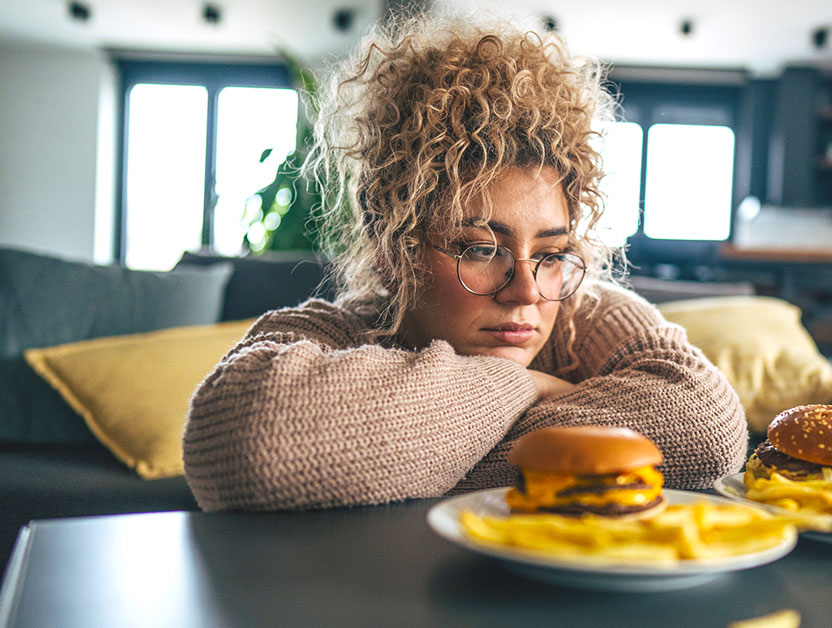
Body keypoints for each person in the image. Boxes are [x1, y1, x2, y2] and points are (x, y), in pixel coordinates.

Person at [182, 10, 747, 512]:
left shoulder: (584, 312)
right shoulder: (336, 330)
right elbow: (245, 443)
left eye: (550, 254)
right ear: (391, 250)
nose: (526, 291)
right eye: (480, 249)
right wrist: (519, 385)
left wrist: (403, 454)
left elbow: (706, 430)